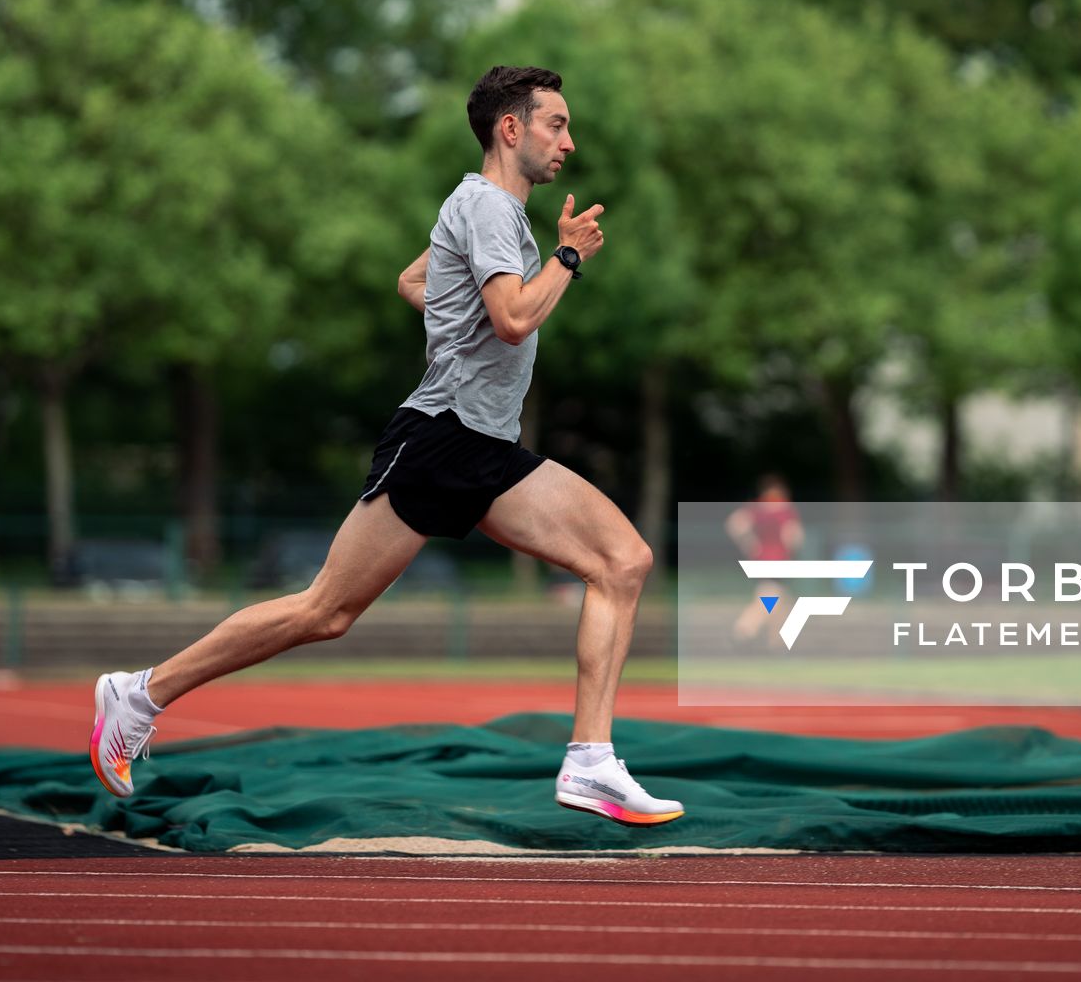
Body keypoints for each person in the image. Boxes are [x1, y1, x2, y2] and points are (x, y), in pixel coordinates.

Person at [89, 66, 683, 827]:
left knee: (623, 561)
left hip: (487, 449)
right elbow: (512, 320)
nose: (568, 141)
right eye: (556, 124)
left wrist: (460, 310)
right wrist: (565, 259)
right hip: (441, 440)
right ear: (511, 128)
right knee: (325, 611)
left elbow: (413, 281)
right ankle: (138, 694)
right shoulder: (488, 206)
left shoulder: (486, 212)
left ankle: (591, 761)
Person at [727, 474, 804, 644]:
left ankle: (776, 643)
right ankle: (745, 628)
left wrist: (749, 543)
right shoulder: (784, 511)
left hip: (762, 561)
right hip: (776, 562)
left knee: (780, 601)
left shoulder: (756, 509)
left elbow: (736, 523)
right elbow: (793, 535)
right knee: (769, 598)